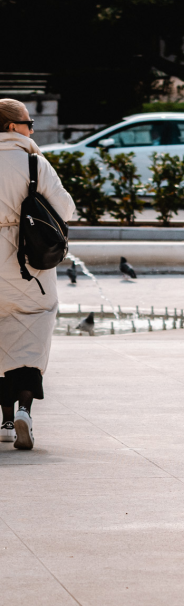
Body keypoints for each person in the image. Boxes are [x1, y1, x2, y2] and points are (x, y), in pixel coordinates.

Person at [0, 99, 76, 450]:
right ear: (13, 127)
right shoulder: (33, 162)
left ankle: (2, 421)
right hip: (29, 266)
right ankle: (24, 411)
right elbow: (66, 209)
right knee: (33, 331)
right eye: (29, 123)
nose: (32, 129)